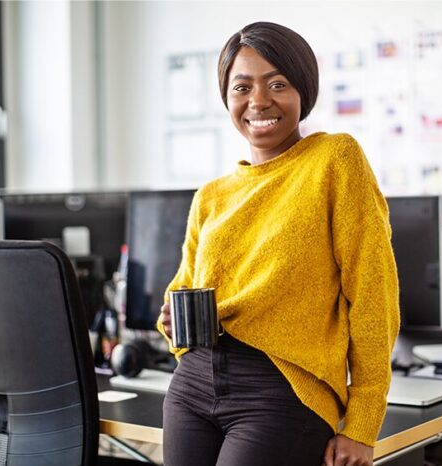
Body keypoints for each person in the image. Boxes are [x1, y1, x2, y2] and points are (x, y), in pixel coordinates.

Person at [157, 21, 400, 466]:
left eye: (277, 84)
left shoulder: (335, 159)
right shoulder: (211, 196)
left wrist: (363, 423)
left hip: (280, 389)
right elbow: (184, 286)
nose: (259, 101)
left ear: (303, 90)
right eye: (242, 87)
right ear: (227, 98)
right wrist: (171, 318)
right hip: (191, 385)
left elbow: (373, 294)